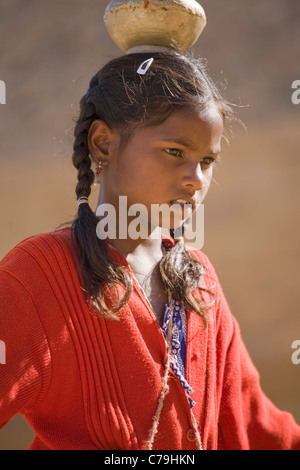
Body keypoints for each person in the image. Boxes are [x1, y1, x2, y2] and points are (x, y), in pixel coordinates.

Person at [0, 51, 299, 451]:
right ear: (103, 144)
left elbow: (254, 426)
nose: (196, 179)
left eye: (207, 161)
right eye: (175, 151)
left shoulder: (200, 280)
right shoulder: (38, 276)